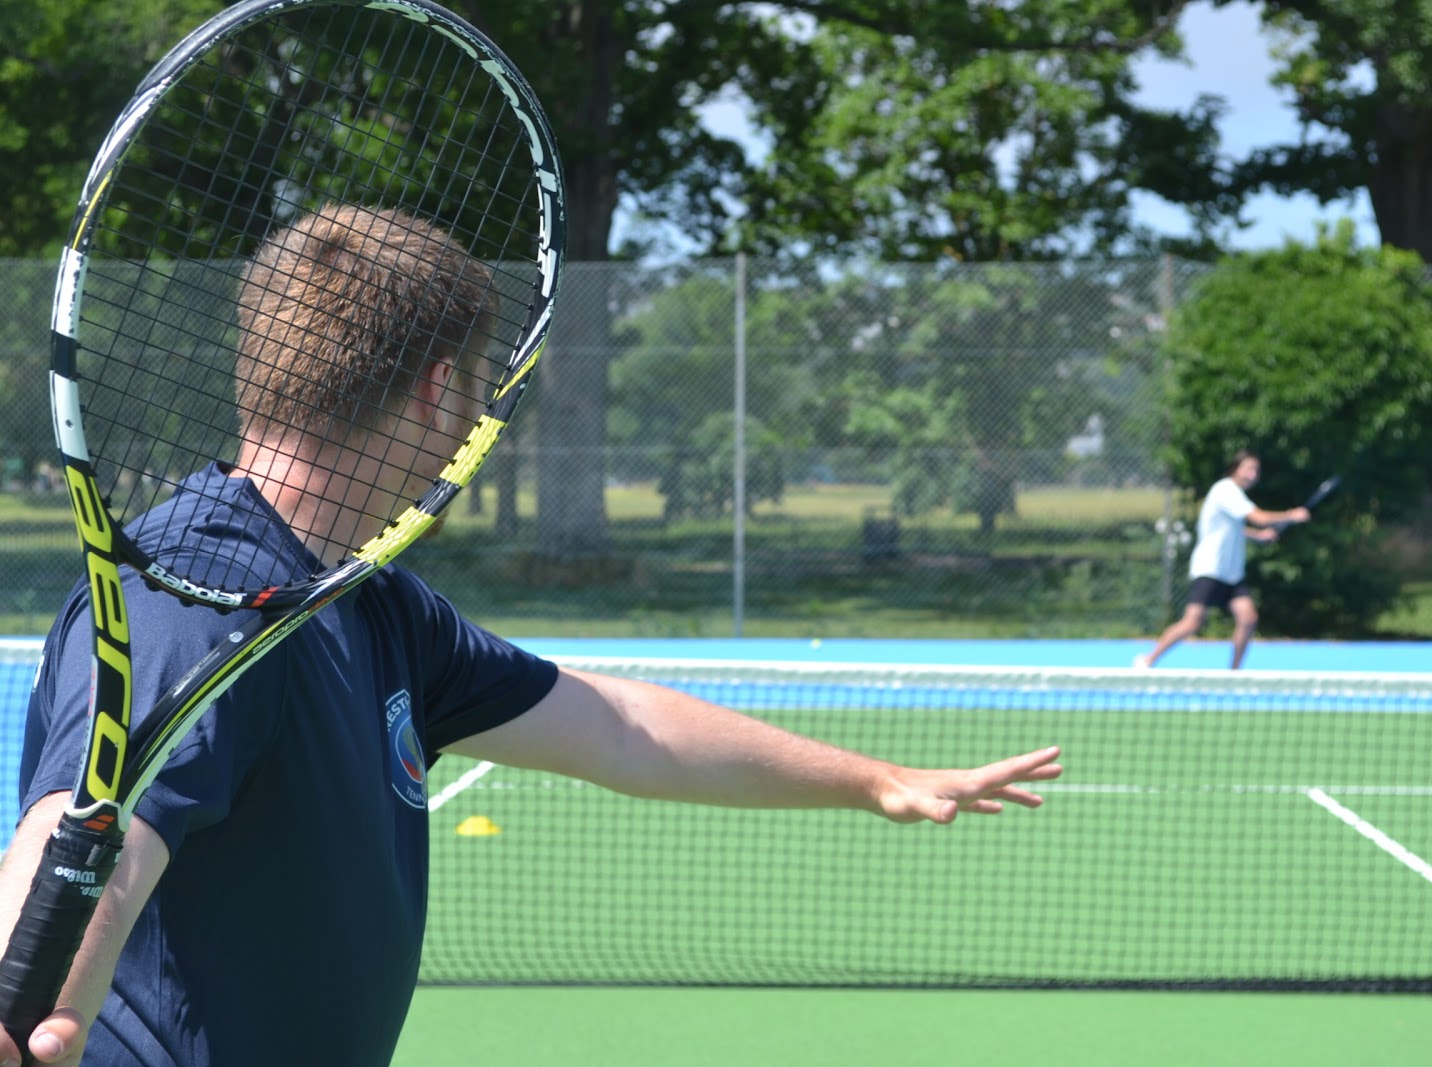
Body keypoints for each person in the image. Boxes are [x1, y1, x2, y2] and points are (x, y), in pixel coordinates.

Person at [0, 205, 1063, 1067]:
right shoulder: (199, 594)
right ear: (437, 390)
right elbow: (85, 833)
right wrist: (35, 1013)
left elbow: (622, 725)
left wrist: (872, 777)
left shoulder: (373, 601)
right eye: (481, 388)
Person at [1134, 450, 1309, 670]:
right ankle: (1149, 660)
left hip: (1232, 574)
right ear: (1235, 468)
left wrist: (1258, 536)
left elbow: (1234, 528)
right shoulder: (1226, 490)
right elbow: (1258, 517)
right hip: (1210, 568)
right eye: (1248, 468)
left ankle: (1233, 674)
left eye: (1256, 470)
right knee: (1192, 622)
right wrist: (1290, 515)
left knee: (1248, 618)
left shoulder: (1235, 495)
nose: (1253, 474)